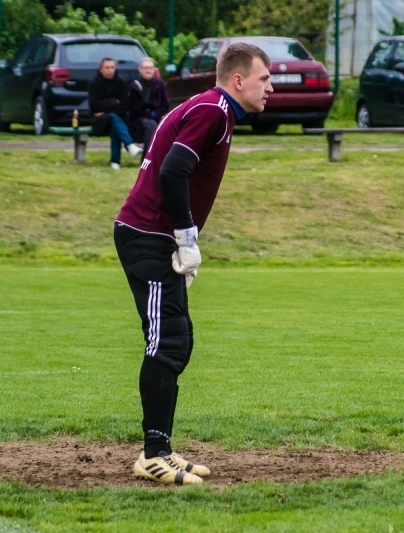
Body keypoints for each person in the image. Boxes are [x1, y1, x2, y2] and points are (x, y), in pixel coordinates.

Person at [113, 43, 272, 485]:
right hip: (151, 236)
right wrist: (184, 235)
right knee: (167, 343)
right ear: (238, 80)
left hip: (149, 234)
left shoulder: (206, 106)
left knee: (175, 340)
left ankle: (161, 447)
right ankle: (152, 454)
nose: (270, 88)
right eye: (264, 79)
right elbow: (172, 170)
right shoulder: (215, 110)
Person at [88, 57, 142, 170]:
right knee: (113, 118)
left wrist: (105, 107)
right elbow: (93, 104)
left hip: (119, 119)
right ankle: (129, 145)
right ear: (101, 69)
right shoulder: (94, 83)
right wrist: (113, 102)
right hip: (99, 121)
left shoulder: (121, 82)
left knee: (114, 123)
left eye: (112, 67)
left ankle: (115, 162)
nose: (110, 70)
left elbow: (125, 105)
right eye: (107, 68)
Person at [128, 57, 171, 151]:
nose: (148, 70)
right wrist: (148, 114)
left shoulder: (160, 84)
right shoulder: (134, 86)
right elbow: (134, 108)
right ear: (140, 70)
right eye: (145, 68)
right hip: (138, 119)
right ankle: (147, 159)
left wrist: (156, 113)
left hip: (157, 116)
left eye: (150, 68)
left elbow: (165, 104)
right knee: (150, 125)